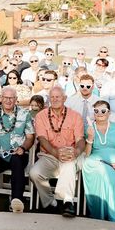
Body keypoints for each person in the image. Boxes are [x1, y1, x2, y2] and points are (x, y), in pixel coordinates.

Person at [30, 86, 84, 217]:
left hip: (70, 154)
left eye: (58, 97)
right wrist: (56, 153)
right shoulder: (41, 116)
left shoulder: (75, 116)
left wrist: (76, 152)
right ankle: (50, 203)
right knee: (34, 173)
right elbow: (42, 139)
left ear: (64, 99)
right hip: (49, 155)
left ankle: (67, 202)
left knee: (69, 163)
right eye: (52, 97)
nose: (54, 99)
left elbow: (80, 140)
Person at [0, 86, 35, 213]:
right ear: (1, 98)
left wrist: (23, 148)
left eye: (11, 98)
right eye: (5, 98)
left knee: (17, 160)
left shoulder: (24, 114)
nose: (8, 100)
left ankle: (16, 201)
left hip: (18, 153)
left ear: (16, 99)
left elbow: (30, 137)